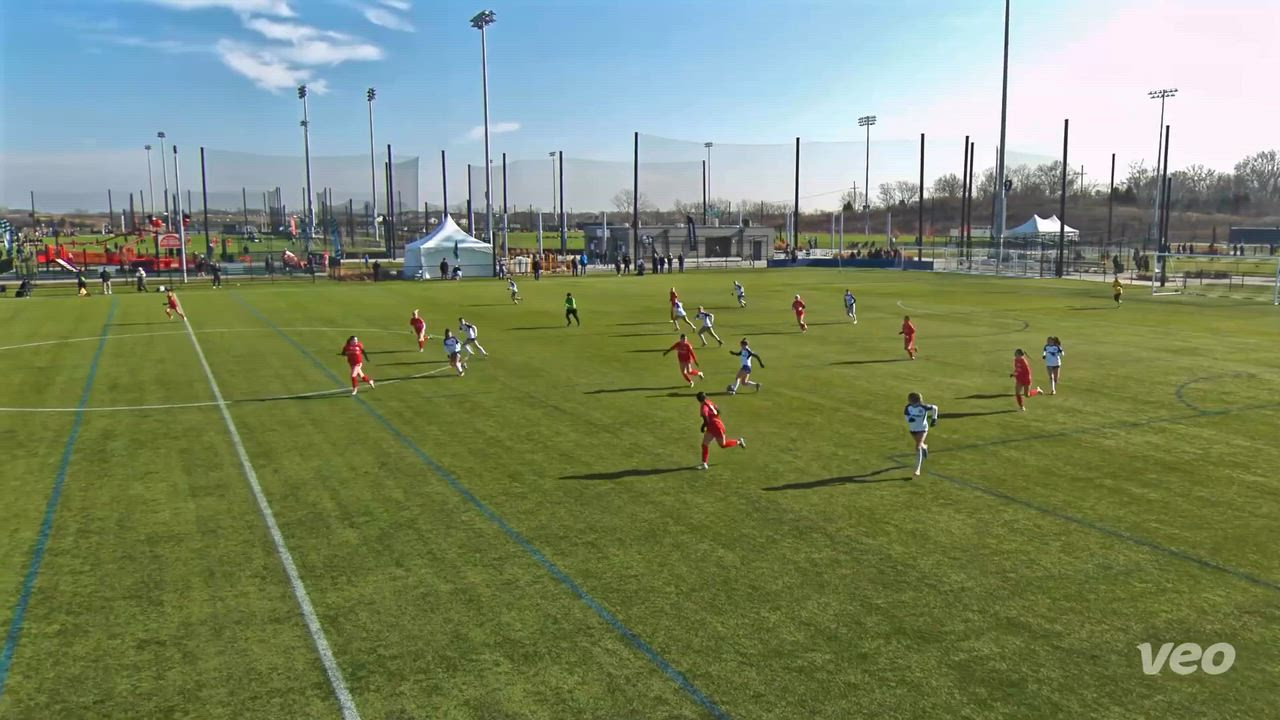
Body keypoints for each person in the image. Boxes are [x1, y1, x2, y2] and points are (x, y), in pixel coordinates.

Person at [696, 391, 745, 470]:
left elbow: (705, 417)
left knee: (723, 445)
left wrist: (703, 426)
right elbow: (718, 411)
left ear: (698, 400)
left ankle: (739, 442)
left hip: (717, 427)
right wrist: (714, 418)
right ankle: (704, 464)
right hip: (713, 426)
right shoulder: (709, 402)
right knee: (704, 444)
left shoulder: (704, 407)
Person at [903, 391, 939, 477]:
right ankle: (925, 446)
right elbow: (906, 415)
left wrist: (934, 419)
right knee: (920, 444)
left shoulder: (924, 407)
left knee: (918, 446)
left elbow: (935, 408)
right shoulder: (908, 407)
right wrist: (909, 419)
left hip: (922, 429)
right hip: (913, 429)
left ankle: (917, 469)